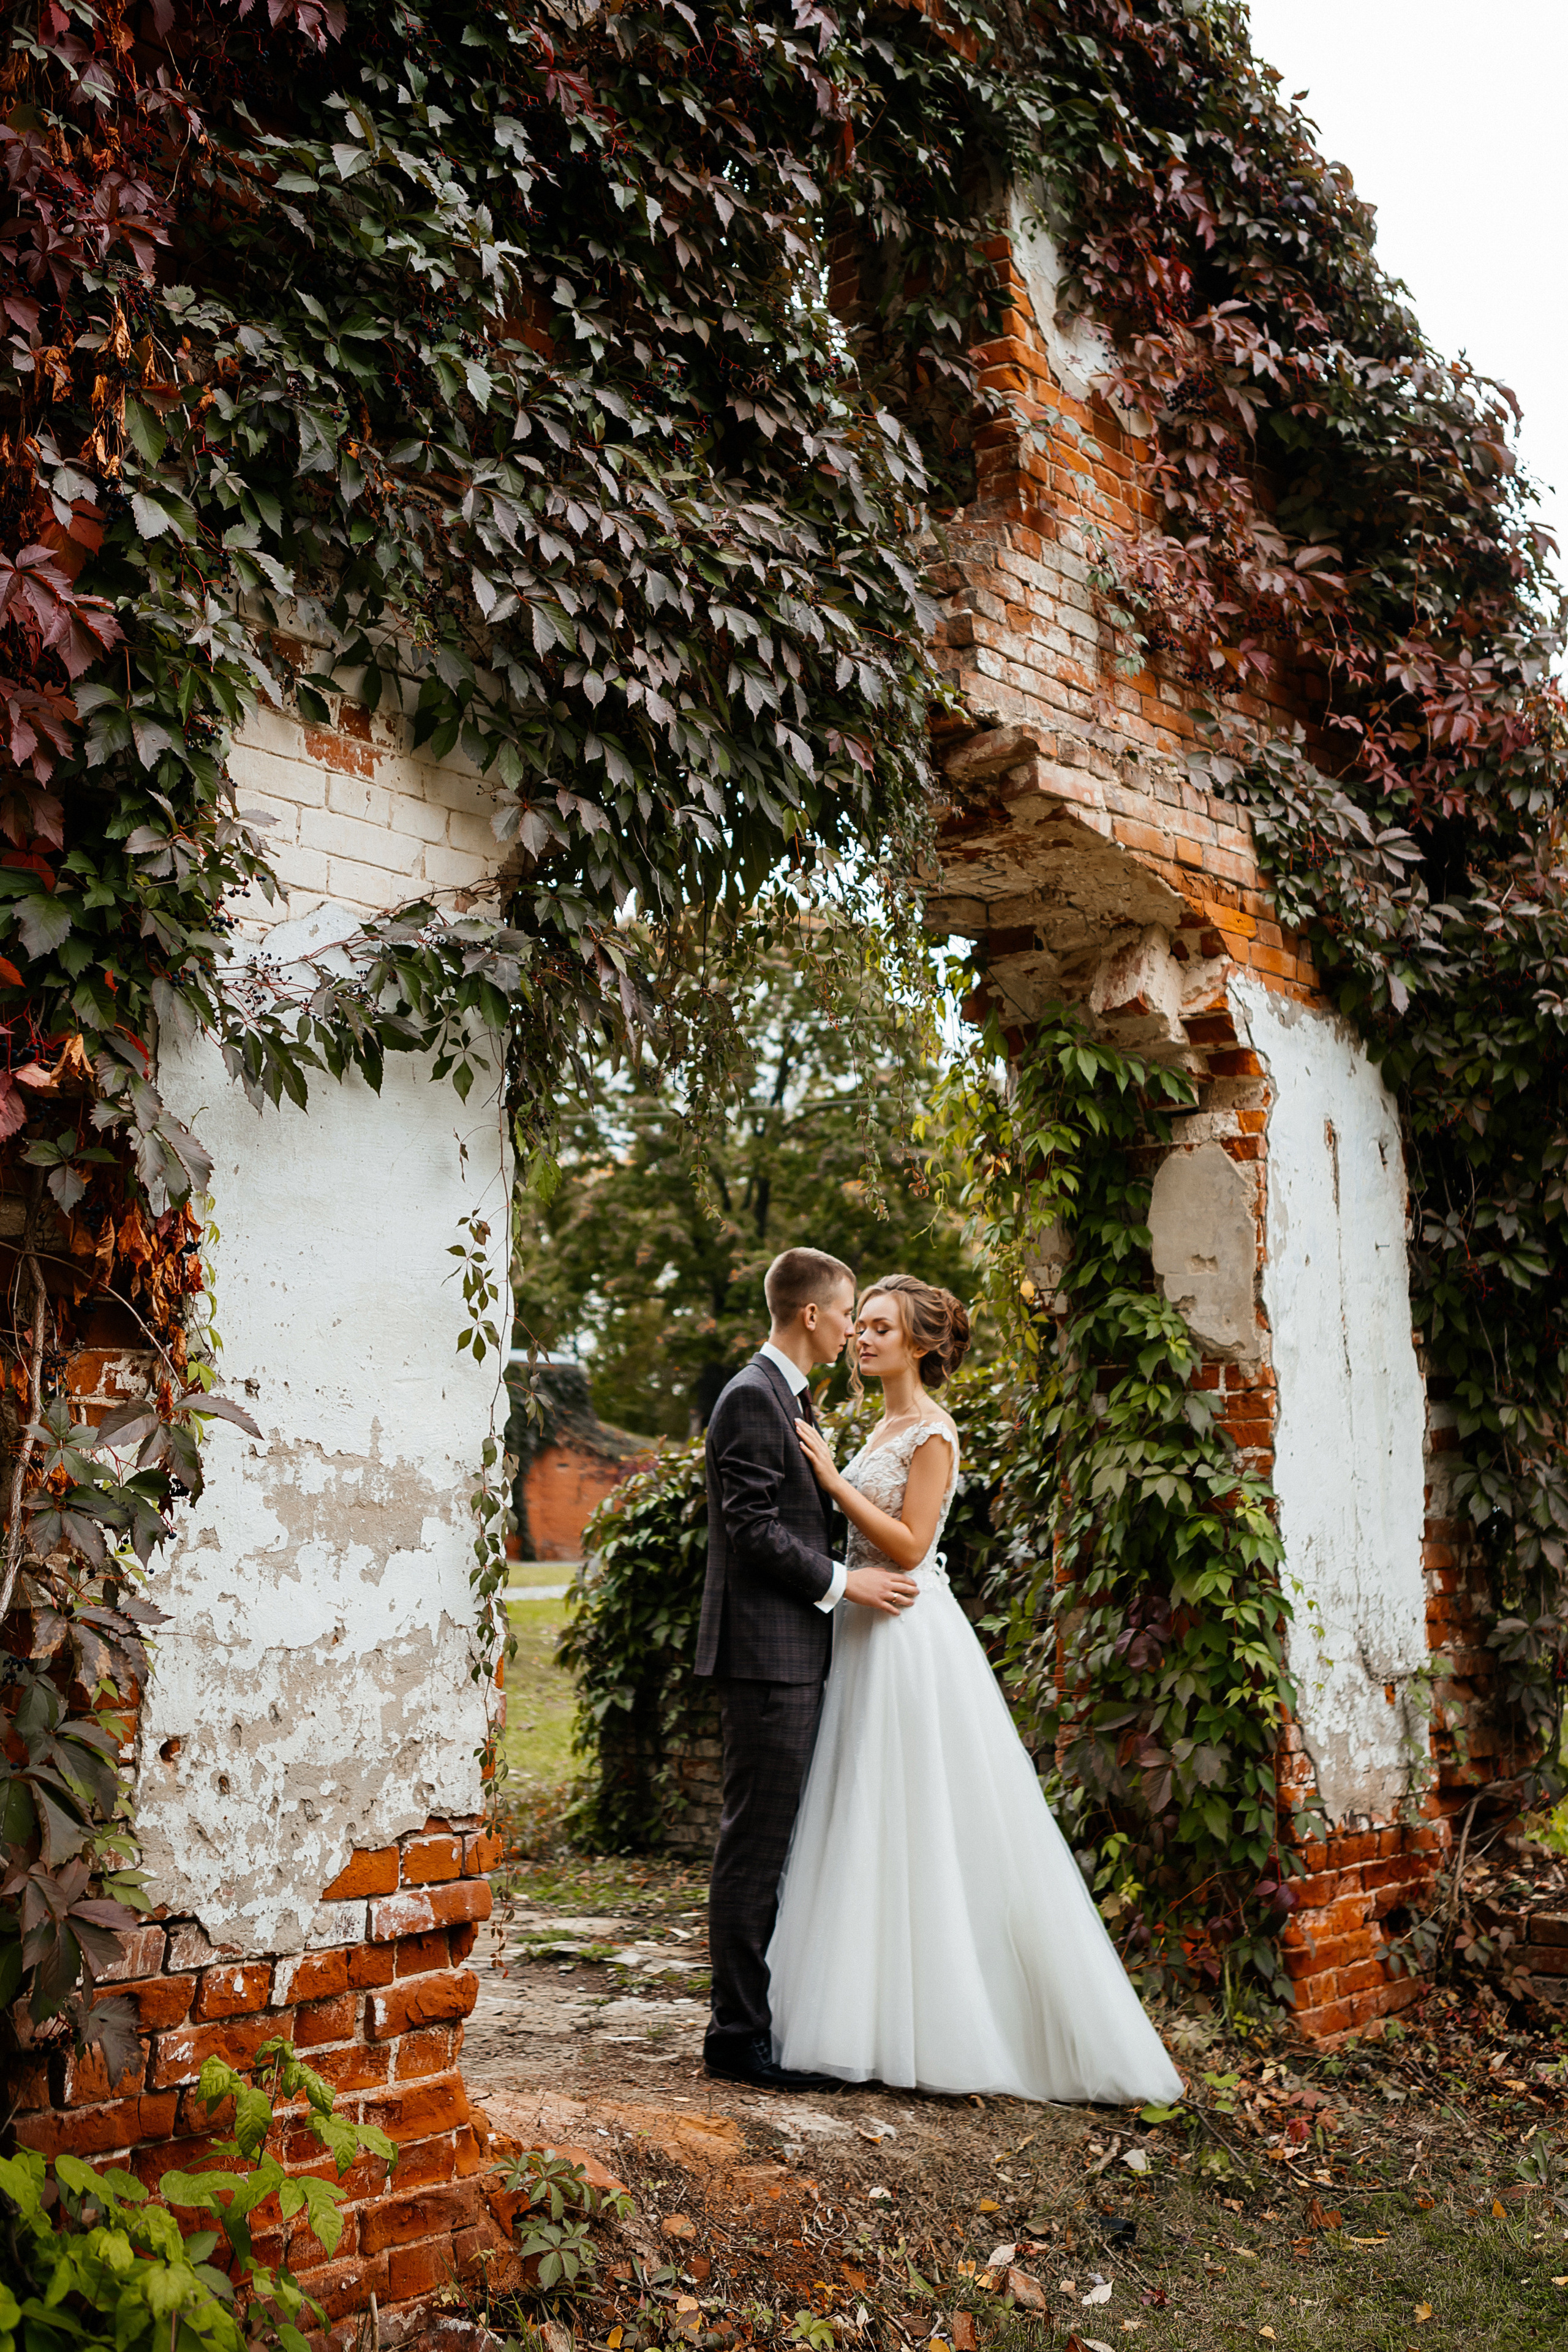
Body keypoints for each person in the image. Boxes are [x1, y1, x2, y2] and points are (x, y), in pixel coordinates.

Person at [771, 1272, 1184, 2105]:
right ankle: (862, 2016)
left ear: (921, 1345)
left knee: (918, 1816)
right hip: (861, 1629)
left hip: (906, 1636)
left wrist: (834, 1483)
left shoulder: (933, 1432)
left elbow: (912, 1545)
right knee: (865, 1815)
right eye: (862, 1326)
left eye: (881, 1328)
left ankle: (956, 2021)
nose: (863, 1339)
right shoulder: (880, 1424)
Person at [695, 1247, 921, 2091]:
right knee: (754, 1845)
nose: (853, 1329)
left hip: (789, 1652)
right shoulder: (753, 1397)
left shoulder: (786, 1397)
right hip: (767, 1657)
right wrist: (843, 1582)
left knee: (773, 1841)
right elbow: (751, 1527)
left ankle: (762, 2022)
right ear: (812, 1314)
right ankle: (736, 2039)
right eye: (849, 1313)